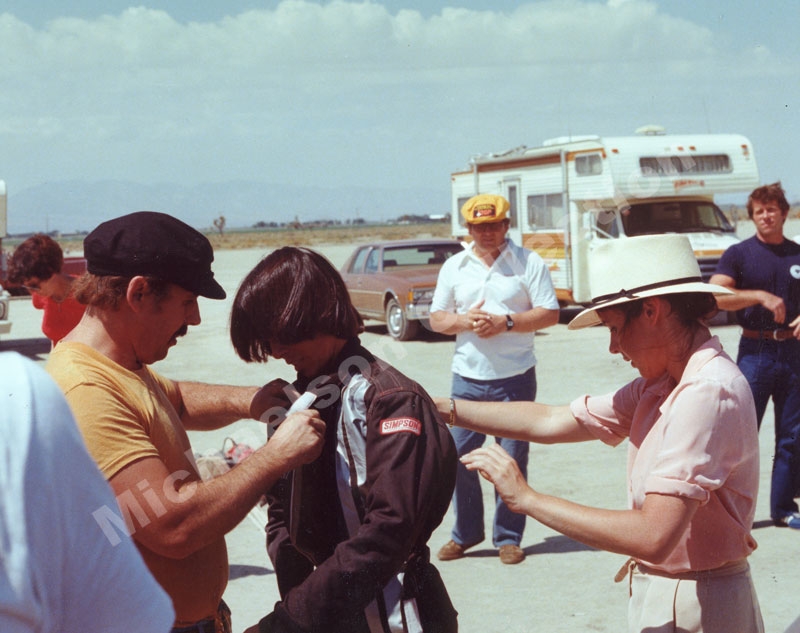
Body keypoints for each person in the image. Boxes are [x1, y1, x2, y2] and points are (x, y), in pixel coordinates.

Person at [439, 234, 765, 633]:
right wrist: (443, 408)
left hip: (700, 601)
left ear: (652, 311)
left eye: (614, 328)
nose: (613, 347)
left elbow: (653, 536)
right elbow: (552, 420)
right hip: (676, 591)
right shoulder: (664, 383)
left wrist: (527, 499)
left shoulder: (705, 392)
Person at [45, 212, 326, 633]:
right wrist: (276, 456)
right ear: (139, 292)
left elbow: (172, 401)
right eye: (187, 301)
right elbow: (174, 526)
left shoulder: (119, 365)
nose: (194, 319)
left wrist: (251, 401)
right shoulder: (85, 389)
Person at [229, 246, 458, 633]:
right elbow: (282, 518)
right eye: (267, 341)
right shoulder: (298, 402)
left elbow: (389, 532)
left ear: (315, 315)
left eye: (282, 336)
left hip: (398, 614)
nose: (277, 352)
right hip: (328, 612)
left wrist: (290, 621)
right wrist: (300, 605)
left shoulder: (390, 400)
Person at [0, 350, 175, 633]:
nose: (193, 325)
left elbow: (175, 396)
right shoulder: (20, 394)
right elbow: (172, 527)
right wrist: (257, 463)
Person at [429, 193, 560, 565]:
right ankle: (466, 534)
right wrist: (464, 321)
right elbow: (437, 318)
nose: (486, 233)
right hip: (467, 380)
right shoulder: (454, 266)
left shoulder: (528, 261)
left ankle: (508, 537)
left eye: (493, 225)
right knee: (458, 458)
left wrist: (507, 322)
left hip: (514, 379)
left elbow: (550, 313)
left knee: (511, 459)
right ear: (468, 229)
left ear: (506, 225)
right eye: (478, 227)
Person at [710, 181, 800, 530]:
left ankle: (783, 508)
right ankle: (732, 514)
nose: (766, 216)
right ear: (752, 216)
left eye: (771, 209)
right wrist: (759, 296)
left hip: (793, 352)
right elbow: (715, 295)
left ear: (784, 213)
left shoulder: (797, 253)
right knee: (741, 435)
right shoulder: (739, 254)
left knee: (792, 435)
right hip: (755, 353)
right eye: (759, 211)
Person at [6, 233, 85, 345]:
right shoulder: (39, 297)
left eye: (34, 285)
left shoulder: (88, 294)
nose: (32, 292)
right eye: (27, 287)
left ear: (50, 271)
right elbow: (56, 339)